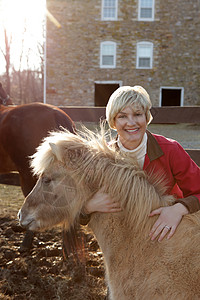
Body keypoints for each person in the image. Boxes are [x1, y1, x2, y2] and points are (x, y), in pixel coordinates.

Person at [81, 85, 200, 242]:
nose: (131, 123)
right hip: (123, 237)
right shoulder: (102, 158)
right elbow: (71, 207)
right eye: (122, 116)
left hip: (166, 229)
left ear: (146, 118)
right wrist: (87, 207)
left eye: (137, 114)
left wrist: (178, 209)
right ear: (113, 122)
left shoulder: (171, 149)